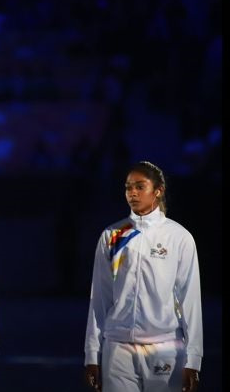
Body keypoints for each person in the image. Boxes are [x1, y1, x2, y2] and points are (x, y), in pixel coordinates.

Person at [84, 161, 203, 392]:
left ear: (158, 191)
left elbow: (190, 300)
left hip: (164, 347)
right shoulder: (113, 235)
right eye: (128, 187)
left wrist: (193, 359)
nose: (132, 193)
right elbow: (99, 298)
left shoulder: (179, 237)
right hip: (118, 348)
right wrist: (91, 355)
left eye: (140, 186)